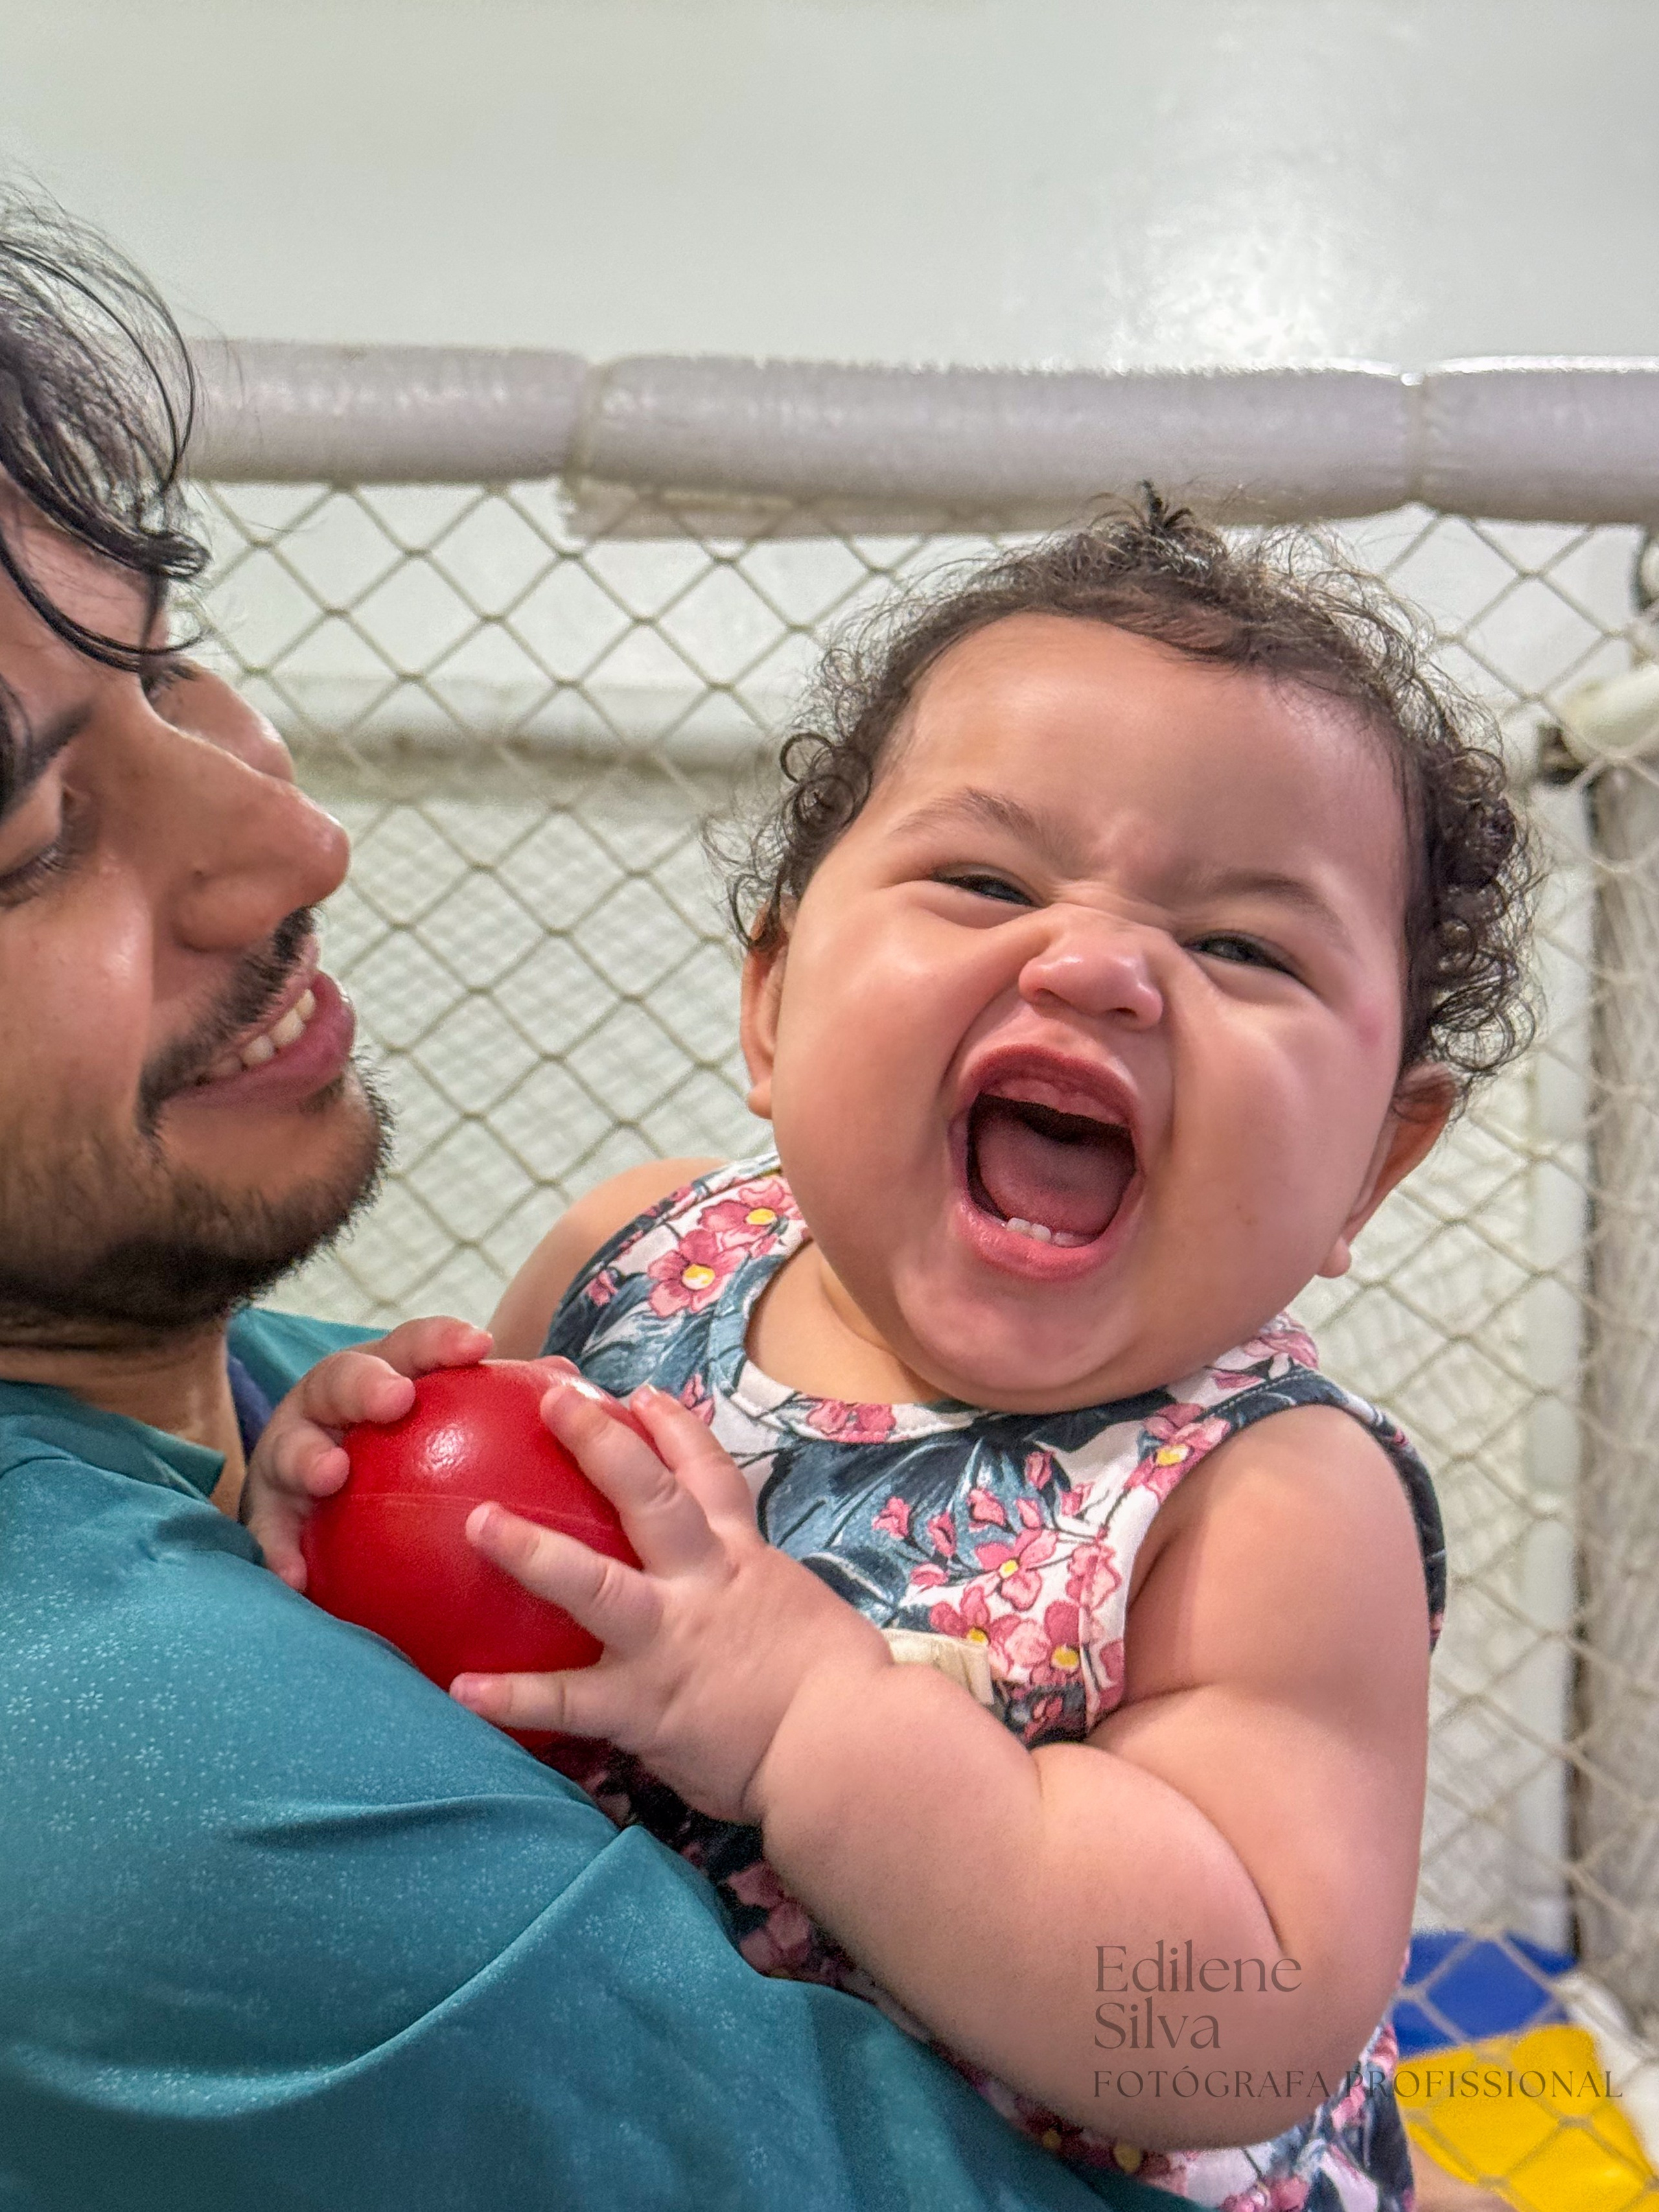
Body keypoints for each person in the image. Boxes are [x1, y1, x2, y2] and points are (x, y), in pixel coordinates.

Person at [0, 198, 1176, 2211]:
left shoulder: (312, 1408)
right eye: (28, 835)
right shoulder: (132, 1762)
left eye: (173, 672)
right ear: (774, 995)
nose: (293, 838)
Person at [248, 502, 1535, 2211]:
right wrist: (333, 1520)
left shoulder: (1270, 1501)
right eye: (988, 880)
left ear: (1375, 1159)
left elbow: (1233, 2032)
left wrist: (811, 1726)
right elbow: (502, 1649)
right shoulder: (637, 1260)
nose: (1098, 966)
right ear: (772, 1008)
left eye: (1240, 945)